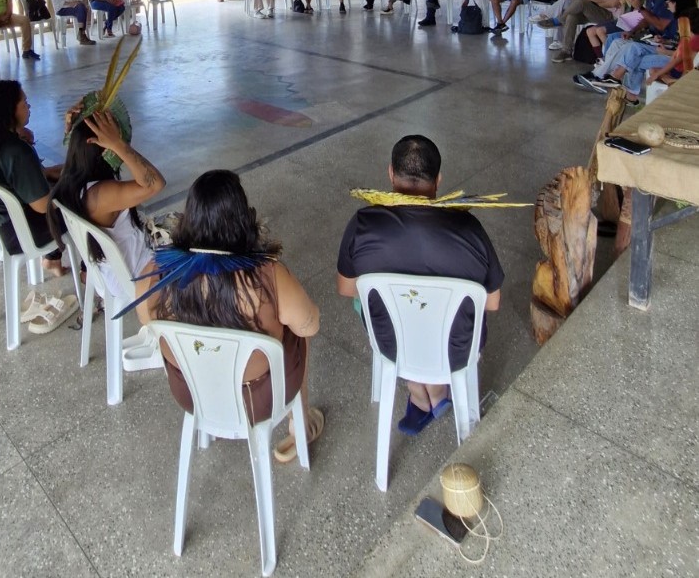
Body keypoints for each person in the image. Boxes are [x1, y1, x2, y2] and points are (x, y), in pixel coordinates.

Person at [128, 169, 325, 463]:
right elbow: (311, 324)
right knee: (297, 332)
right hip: (258, 401)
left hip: (191, 394)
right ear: (242, 219)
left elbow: (146, 320)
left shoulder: (154, 274)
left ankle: (215, 417)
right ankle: (300, 424)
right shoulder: (269, 277)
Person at [336, 135, 503, 435]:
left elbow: (347, 289)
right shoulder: (469, 228)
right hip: (457, 348)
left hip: (393, 345)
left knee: (362, 300)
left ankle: (418, 392)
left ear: (390, 173)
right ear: (439, 180)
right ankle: (437, 390)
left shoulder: (362, 223)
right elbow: (492, 302)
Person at [0, 81, 78, 332]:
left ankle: (53, 260)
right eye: (24, 102)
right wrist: (76, 179)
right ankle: (90, 269)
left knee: (67, 184)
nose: (29, 106)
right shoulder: (15, 151)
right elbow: (44, 206)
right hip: (21, 233)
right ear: (9, 110)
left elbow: (34, 177)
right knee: (82, 203)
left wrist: (62, 171)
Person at [48, 107, 166, 303]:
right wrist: (118, 145)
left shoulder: (72, 181)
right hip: (135, 275)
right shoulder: (100, 195)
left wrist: (77, 123)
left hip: (110, 273)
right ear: (103, 148)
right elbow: (155, 183)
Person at [580, 0, 697, 101]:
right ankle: (609, 79)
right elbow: (680, 42)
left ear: (675, 2)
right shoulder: (683, 19)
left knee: (633, 52)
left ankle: (614, 79)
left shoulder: (688, 21)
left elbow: (686, 53)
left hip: (671, 57)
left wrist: (665, 51)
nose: (667, 8)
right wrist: (664, 41)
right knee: (619, 43)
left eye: (668, 4)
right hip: (668, 51)